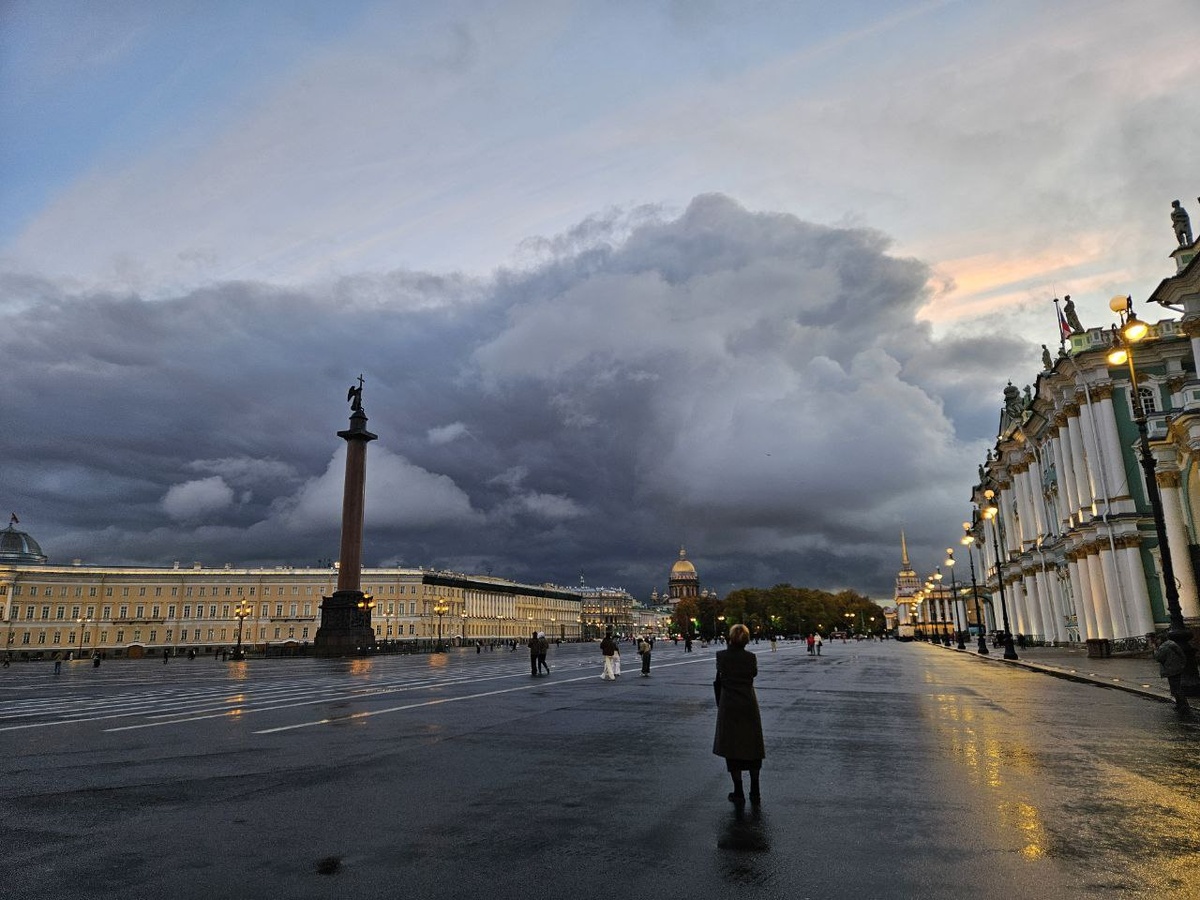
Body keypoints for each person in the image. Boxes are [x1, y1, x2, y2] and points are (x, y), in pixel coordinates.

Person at [713, 624, 765, 805]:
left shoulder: (722, 656)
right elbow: (753, 674)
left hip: (729, 705)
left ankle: (738, 791)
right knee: (753, 747)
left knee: (732, 748)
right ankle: (755, 790)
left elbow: (719, 679)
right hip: (749, 704)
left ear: (730, 638)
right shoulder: (751, 657)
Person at [1153, 632, 1191, 715]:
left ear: (1161, 639)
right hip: (1177, 668)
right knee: (1176, 687)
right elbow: (1182, 655)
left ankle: (1183, 705)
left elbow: (1158, 657)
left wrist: (1155, 649)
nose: (1157, 641)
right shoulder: (1172, 644)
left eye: (1158, 639)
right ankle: (1180, 704)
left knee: (1176, 688)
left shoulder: (1164, 647)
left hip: (1171, 670)